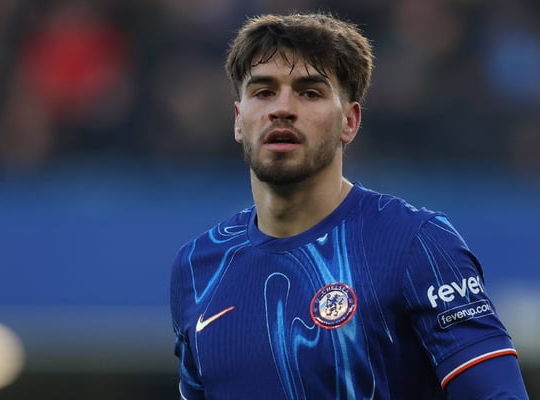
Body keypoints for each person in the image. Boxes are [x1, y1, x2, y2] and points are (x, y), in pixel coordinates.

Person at [170, 12, 529, 399]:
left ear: (350, 122)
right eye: (263, 92)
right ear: (239, 121)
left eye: (310, 92)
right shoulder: (197, 268)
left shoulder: (415, 243)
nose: (282, 108)